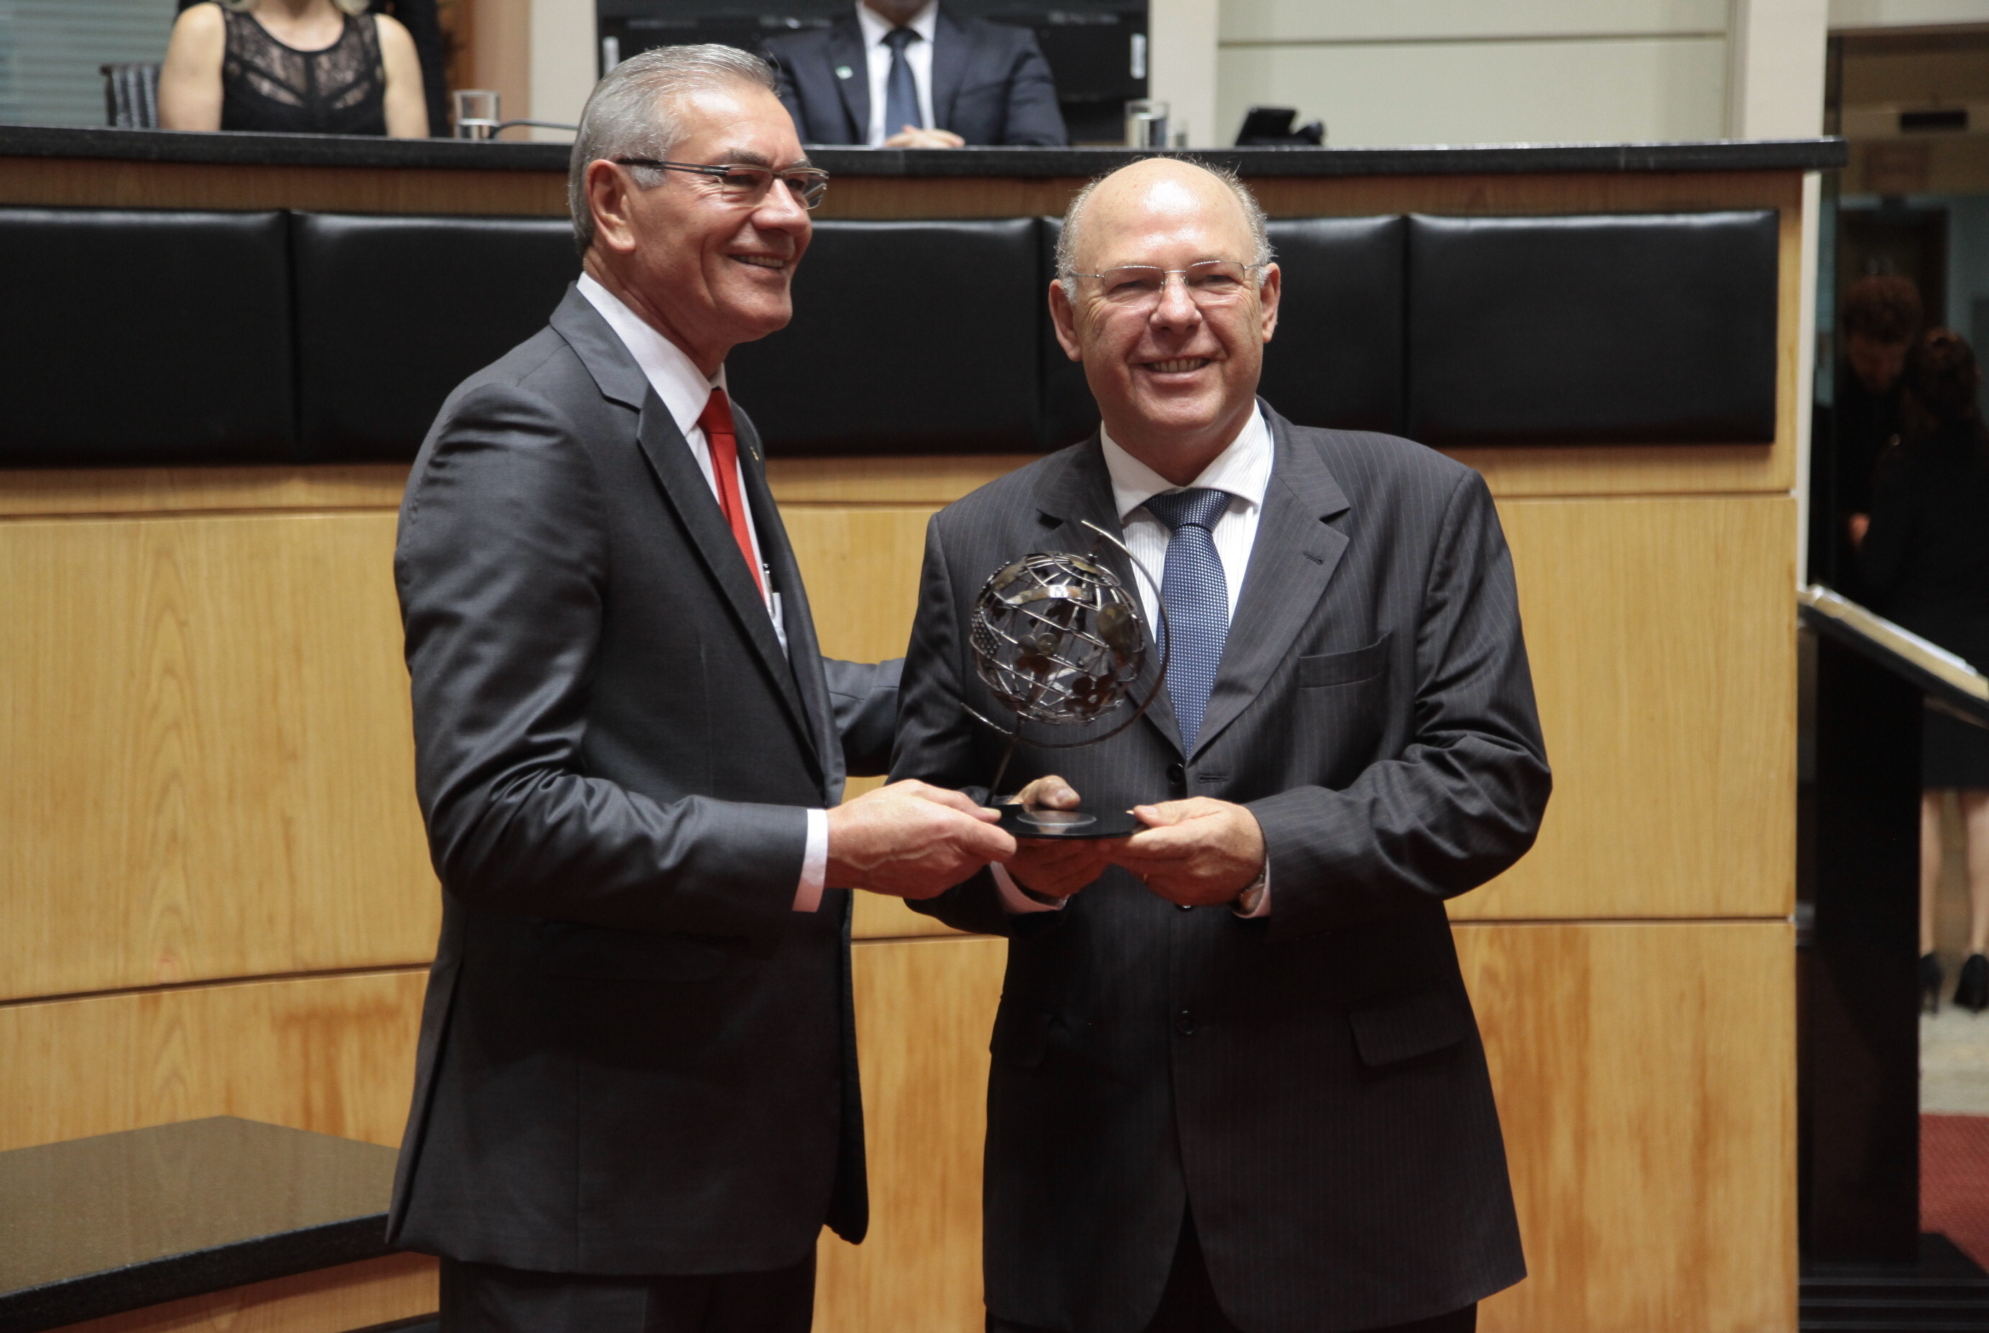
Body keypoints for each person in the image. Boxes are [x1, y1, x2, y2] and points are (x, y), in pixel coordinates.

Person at [386, 45, 1016, 1333]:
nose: (786, 217)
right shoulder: (528, 427)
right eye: (740, 179)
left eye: (802, 185)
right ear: (612, 202)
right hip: (590, 1206)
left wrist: (1009, 700)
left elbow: (748, 696)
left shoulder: (703, 416)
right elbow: (497, 813)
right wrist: (828, 848)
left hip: (731, 1179)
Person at [892, 157, 1551, 1333]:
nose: (1175, 315)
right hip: (1088, 1190)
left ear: (1267, 300)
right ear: (1066, 318)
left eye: (1210, 278)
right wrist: (1017, 867)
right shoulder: (979, 539)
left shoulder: (1418, 505)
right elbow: (927, 812)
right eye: (1130, 284)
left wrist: (1266, 849)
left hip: (1358, 1177)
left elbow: (1487, 780)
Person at [1856, 328, 1989, 1014]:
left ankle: (1922, 960)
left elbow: (1878, 569)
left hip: (1920, 648)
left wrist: (1859, 534)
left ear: (1915, 393)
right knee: (1982, 804)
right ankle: (1981, 959)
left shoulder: (1902, 465)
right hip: (1983, 644)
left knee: (1925, 805)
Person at [761, 0, 1066, 148]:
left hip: (979, 218)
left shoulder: (1008, 49)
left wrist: (955, 160)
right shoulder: (791, 57)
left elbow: (1043, 151)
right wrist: (880, 162)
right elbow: (783, 159)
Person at [159, 0, 429, 137]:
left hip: (363, 224)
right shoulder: (204, 29)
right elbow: (191, 181)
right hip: (241, 223)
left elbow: (412, 184)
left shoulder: (389, 39)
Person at [1821, 274, 1922, 593]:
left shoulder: (1921, 402)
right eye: (1869, 359)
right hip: (1839, 569)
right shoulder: (1825, 400)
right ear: (1848, 342)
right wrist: (1846, 522)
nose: (1881, 372)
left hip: (1907, 575)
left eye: (1894, 359)